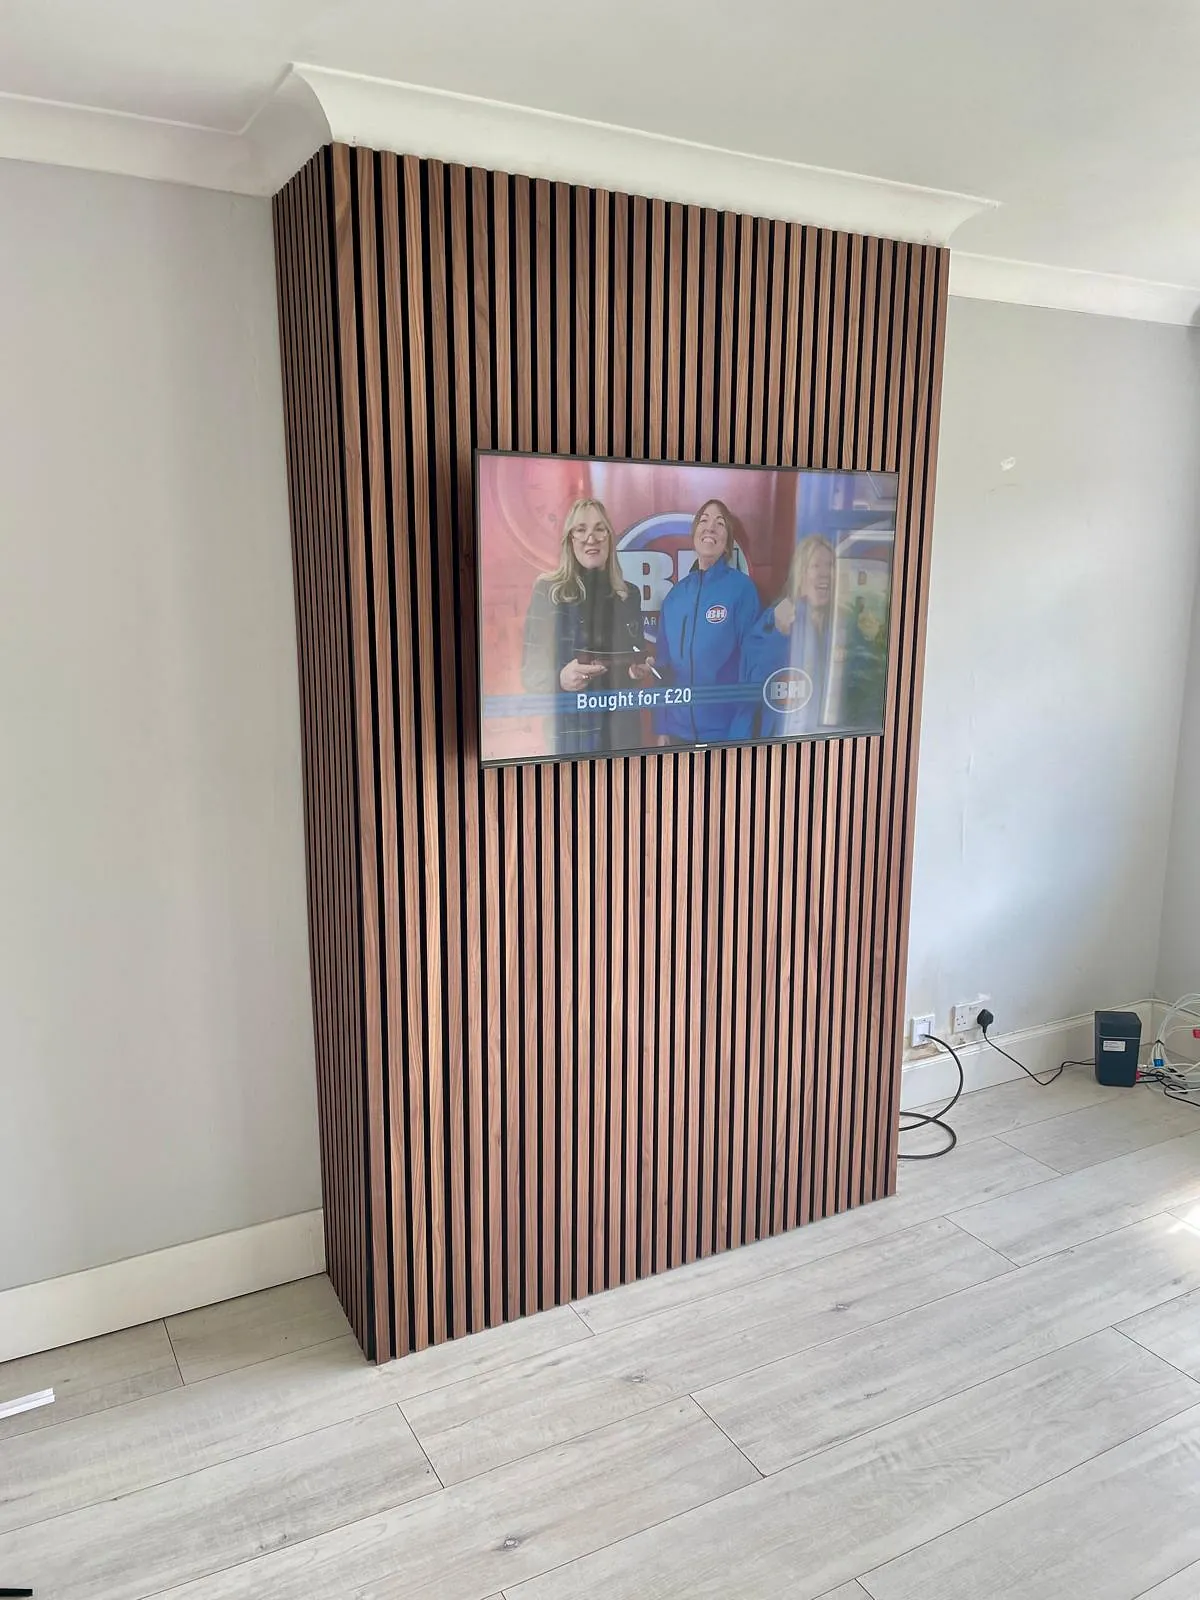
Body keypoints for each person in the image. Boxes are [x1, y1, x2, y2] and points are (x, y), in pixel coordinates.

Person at [521, 498, 653, 756]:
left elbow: (633, 657)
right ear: (570, 540)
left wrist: (636, 670)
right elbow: (531, 673)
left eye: (599, 529)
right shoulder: (548, 591)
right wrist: (560, 678)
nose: (591, 538)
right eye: (581, 530)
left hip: (622, 733)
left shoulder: (629, 594)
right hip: (572, 734)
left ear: (609, 538)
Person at [654, 498, 762, 744]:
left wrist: (741, 732)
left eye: (719, 523)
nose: (710, 527)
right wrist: (662, 727)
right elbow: (662, 666)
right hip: (678, 733)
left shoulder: (742, 590)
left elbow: (753, 668)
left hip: (725, 734)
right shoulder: (675, 597)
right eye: (704, 521)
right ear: (694, 535)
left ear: (727, 542)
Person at [747, 533, 836, 735]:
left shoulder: (841, 624)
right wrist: (780, 634)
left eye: (830, 565)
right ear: (800, 574)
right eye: (815, 566)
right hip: (783, 739)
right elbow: (752, 682)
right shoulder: (774, 619)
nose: (824, 573)